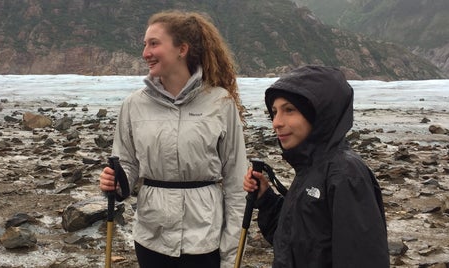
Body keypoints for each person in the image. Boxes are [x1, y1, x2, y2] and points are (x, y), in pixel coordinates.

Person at [98, 10, 247, 268]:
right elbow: (128, 165)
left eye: (154, 43)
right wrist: (116, 183)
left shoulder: (220, 103)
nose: (146, 53)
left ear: (182, 49)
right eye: (145, 44)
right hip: (151, 237)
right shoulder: (133, 105)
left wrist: (232, 254)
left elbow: (236, 184)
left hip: (204, 237)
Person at [242, 65, 389, 267]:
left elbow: (361, 258)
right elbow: (293, 242)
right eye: (274, 112)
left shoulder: (345, 175)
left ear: (319, 113)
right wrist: (265, 199)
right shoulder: (310, 168)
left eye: (289, 110)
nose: (276, 122)